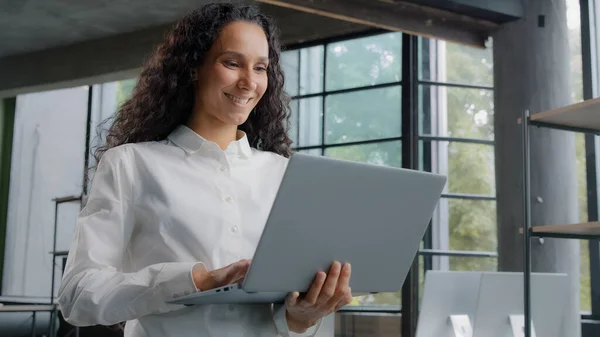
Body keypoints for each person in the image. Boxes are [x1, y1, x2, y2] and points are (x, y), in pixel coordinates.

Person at [57, 2, 353, 337]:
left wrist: (302, 317)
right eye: (232, 63)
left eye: (260, 68)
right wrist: (196, 281)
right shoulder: (131, 165)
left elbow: (288, 315)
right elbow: (77, 295)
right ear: (194, 66)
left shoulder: (284, 173)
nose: (248, 82)